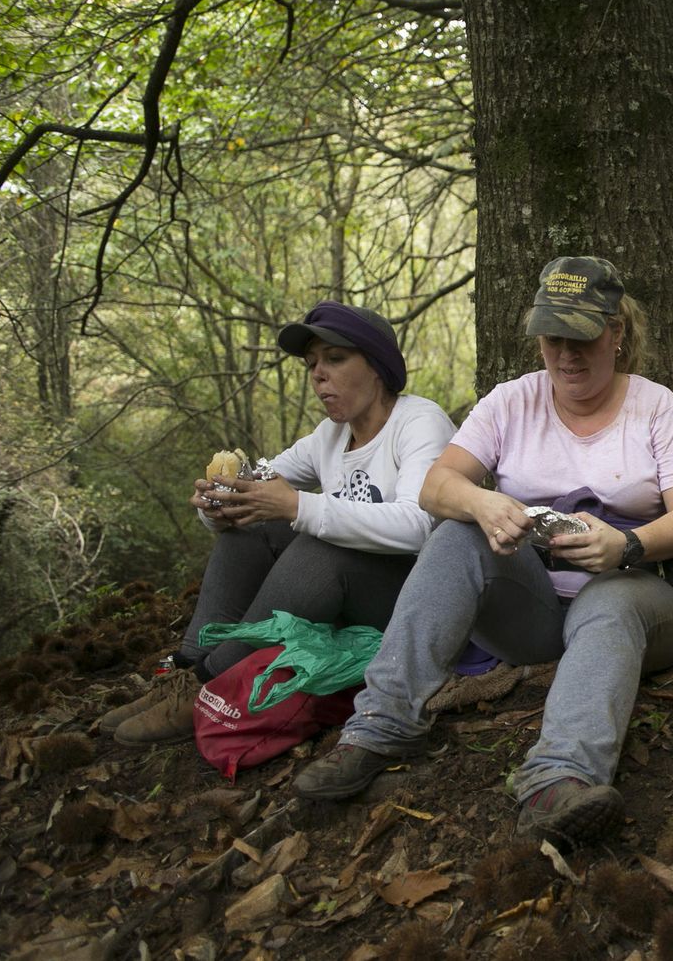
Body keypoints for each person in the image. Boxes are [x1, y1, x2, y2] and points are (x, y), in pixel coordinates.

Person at [293, 257, 673, 849]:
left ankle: (558, 778)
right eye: (552, 338)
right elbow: (436, 487)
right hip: (536, 607)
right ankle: (381, 724)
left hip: (642, 595)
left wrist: (627, 544)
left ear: (616, 335)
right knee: (456, 533)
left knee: (610, 605)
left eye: (583, 337)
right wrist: (483, 505)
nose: (566, 354)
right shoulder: (511, 402)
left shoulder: (657, 407)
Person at [98, 302, 456, 745]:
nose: (319, 375)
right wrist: (218, 505)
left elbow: (420, 525)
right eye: (312, 365)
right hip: (352, 595)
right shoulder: (329, 436)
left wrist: (296, 507)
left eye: (335, 358)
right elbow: (256, 485)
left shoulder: (419, 421)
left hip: (411, 602)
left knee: (314, 543)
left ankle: (211, 683)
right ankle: (187, 670)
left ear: (378, 365)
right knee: (252, 529)